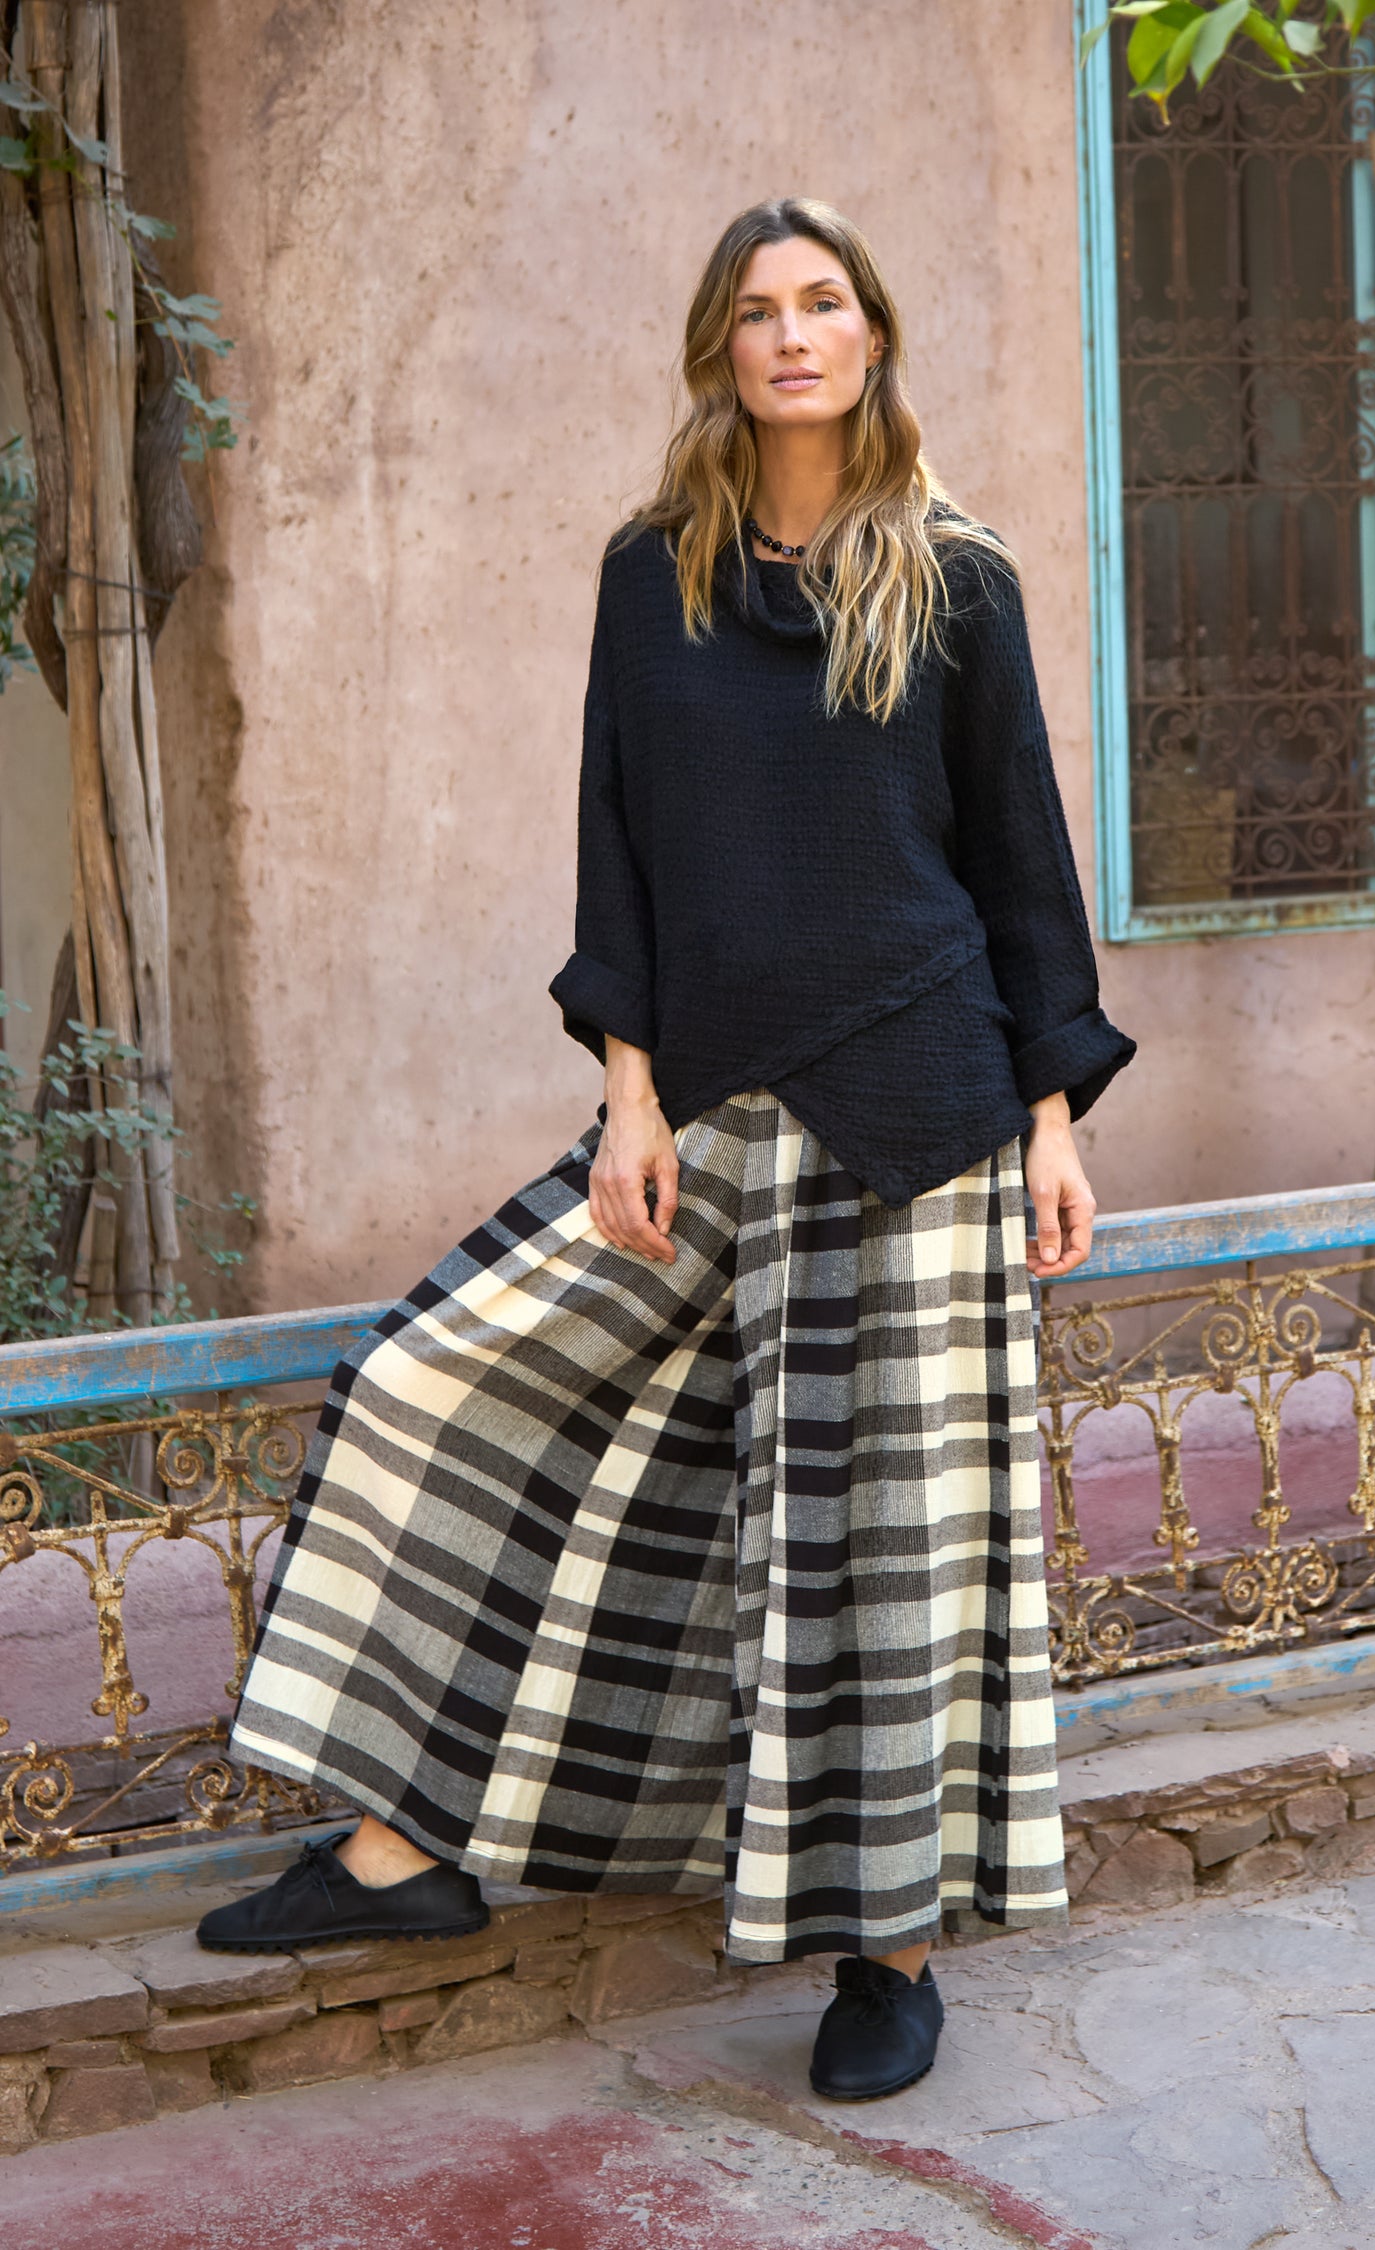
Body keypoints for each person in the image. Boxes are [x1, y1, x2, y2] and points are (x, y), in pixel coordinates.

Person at [199, 195, 1134, 2104]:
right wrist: (627, 1086)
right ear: (721, 346)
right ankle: (402, 1847)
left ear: (873, 335)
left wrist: (1052, 1115)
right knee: (439, 1383)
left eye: (826, 303)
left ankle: (886, 1957)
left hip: (918, 1111)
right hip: (708, 1102)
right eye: (758, 311)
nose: (793, 336)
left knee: (879, 1552)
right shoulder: (657, 575)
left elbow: (1023, 861)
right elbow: (614, 841)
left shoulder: (957, 577)